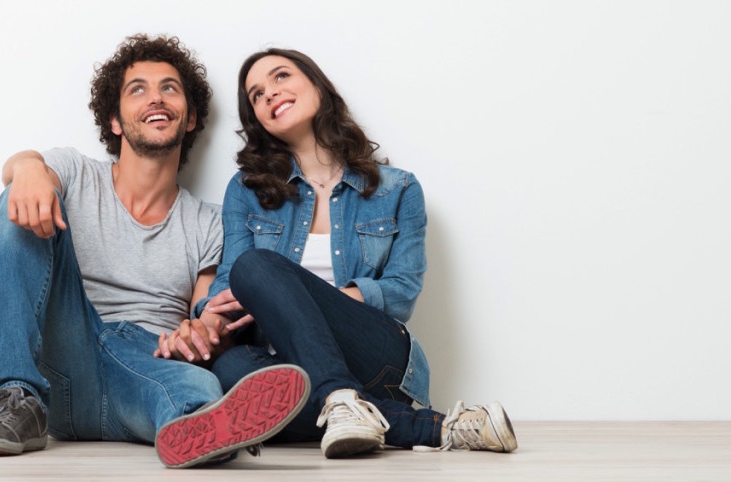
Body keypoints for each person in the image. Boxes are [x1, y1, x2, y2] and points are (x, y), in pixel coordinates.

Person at [0, 35, 309, 469]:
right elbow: (23, 171)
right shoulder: (75, 172)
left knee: (193, 388)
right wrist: (28, 167)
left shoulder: (209, 221)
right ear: (114, 120)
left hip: (147, 370)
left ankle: (201, 425)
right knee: (22, 203)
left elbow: (206, 312)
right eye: (138, 89)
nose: (155, 98)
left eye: (169, 87)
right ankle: (16, 396)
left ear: (189, 119)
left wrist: (203, 333)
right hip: (63, 361)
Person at [155, 48, 517, 458]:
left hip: (376, 355)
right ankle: (427, 425)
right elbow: (229, 288)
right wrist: (206, 319)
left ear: (318, 86)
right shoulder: (247, 191)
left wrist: (299, 299)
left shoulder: (398, 189)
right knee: (233, 370)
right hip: (284, 365)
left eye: (280, 77)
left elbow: (400, 292)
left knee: (257, 265)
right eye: (256, 95)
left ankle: (341, 394)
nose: (269, 94)